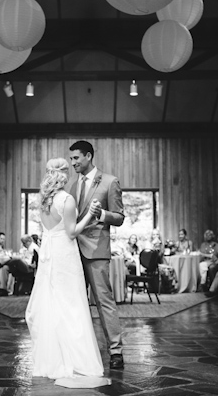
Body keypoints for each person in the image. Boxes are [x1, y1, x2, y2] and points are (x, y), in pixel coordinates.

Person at [25, 157, 108, 386]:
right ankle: (76, 359)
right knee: (72, 304)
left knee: (52, 303)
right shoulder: (66, 199)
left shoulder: (42, 200)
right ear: (64, 174)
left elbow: (48, 230)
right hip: (65, 255)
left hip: (49, 256)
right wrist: (91, 214)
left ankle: (53, 358)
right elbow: (72, 232)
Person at [67, 140, 125, 370]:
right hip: (72, 251)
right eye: (71, 159)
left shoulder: (110, 181)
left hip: (96, 250)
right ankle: (79, 351)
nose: (73, 163)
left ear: (88, 156)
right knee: (75, 302)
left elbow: (119, 217)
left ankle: (115, 350)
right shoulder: (71, 185)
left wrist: (101, 215)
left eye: (76, 158)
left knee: (104, 301)